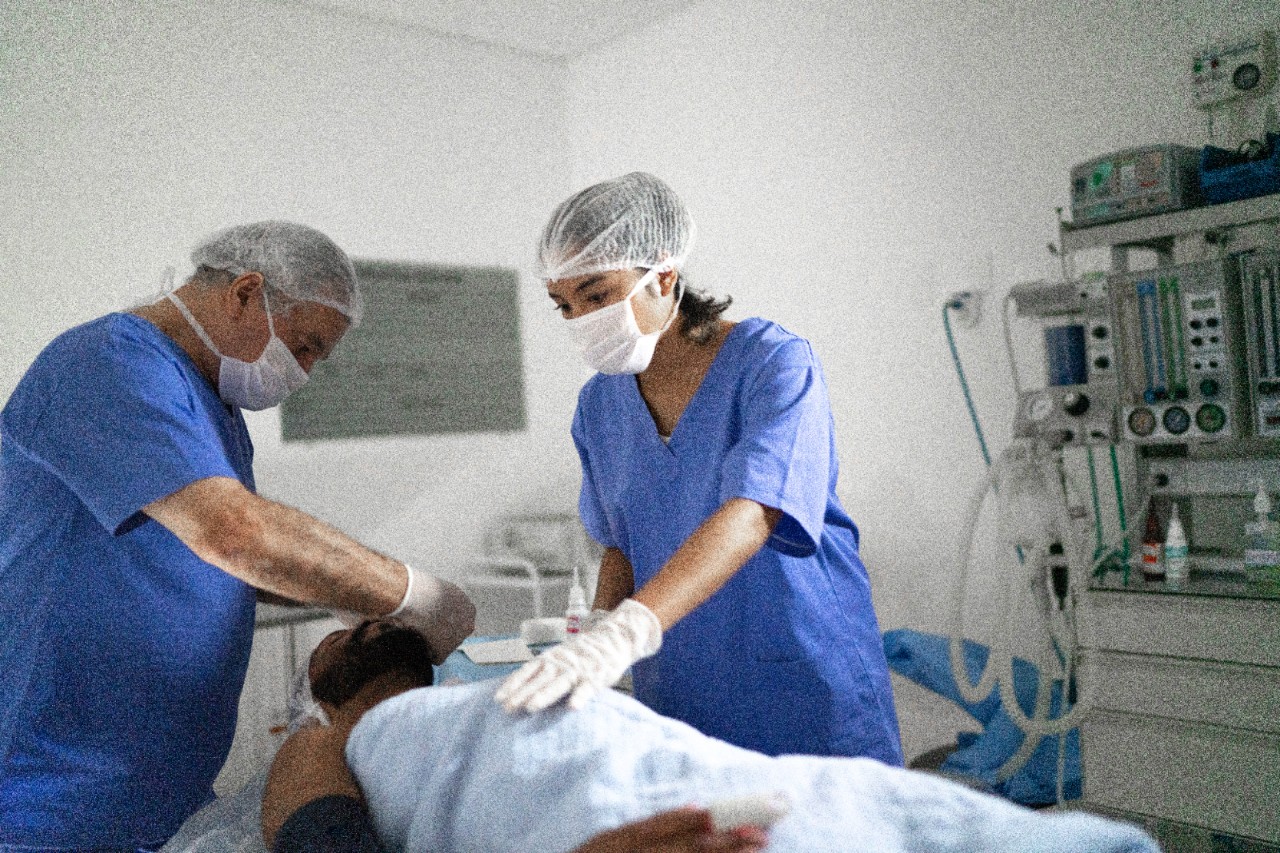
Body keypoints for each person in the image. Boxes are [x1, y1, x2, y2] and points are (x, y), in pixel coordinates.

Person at [0, 222, 475, 851]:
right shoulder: (107, 364)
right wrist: (410, 594)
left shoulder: (213, 406)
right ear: (245, 293)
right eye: (304, 346)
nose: (303, 372)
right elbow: (235, 535)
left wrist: (344, 595)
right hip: (60, 781)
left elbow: (203, 565)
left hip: (161, 781)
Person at [496, 173, 903, 764]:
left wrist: (627, 631)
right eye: (565, 306)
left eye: (597, 294)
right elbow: (622, 543)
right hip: (682, 684)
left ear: (664, 274)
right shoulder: (599, 405)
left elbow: (755, 511)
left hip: (801, 674)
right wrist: (594, 644)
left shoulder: (773, 364)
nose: (581, 319)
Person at [262, 619, 769, 853]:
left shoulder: (463, 697)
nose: (364, 627)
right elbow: (321, 837)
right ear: (315, 693)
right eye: (331, 639)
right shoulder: (325, 739)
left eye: (374, 621)